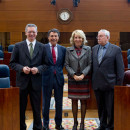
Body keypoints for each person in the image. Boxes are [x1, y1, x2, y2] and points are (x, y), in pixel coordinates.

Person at [9, 24, 48, 130]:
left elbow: (46, 64)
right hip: (22, 82)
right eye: (29, 31)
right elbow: (12, 63)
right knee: (21, 108)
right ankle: (21, 127)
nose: (31, 34)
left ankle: (37, 127)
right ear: (25, 32)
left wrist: (38, 69)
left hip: (36, 82)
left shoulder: (42, 47)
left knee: (36, 108)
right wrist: (22, 69)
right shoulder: (18, 46)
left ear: (37, 33)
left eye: (33, 32)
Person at [92, 29, 124, 130]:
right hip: (97, 83)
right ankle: (102, 125)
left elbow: (120, 69)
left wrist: (118, 86)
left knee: (110, 108)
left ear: (107, 37)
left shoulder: (115, 49)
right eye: (98, 36)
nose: (98, 38)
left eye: (101, 36)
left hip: (110, 84)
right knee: (100, 107)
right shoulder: (94, 48)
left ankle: (110, 126)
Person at [65, 30, 91, 130]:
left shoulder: (88, 49)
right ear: (73, 39)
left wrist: (83, 74)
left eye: (79, 37)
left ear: (83, 39)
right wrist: (74, 74)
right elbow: (66, 64)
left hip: (84, 78)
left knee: (84, 102)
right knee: (74, 101)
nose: (77, 39)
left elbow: (90, 64)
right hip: (73, 78)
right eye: (76, 37)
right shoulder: (68, 50)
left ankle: (82, 123)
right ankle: (75, 123)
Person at [42, 29, 66, 130]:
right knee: (46, 103)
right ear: (48, 37)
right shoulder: (43, 48)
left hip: (59, 78)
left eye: (55, 36)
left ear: (58, 37)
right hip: (46, 78)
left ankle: (58, 124)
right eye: (52, 36)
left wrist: (58, 71)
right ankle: (46, 125)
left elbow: (63, 63)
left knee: (59, 103)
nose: (54, 38)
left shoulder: (63, 49)